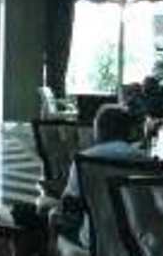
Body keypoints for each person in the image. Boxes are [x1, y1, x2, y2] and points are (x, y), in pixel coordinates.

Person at [59, 104, 149, 247]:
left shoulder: (85, 159)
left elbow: (70, 203)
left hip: (95, 242)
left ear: (97, 130)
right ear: (127, 131)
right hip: (138, 244)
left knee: (57, 221)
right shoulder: (143, 159)